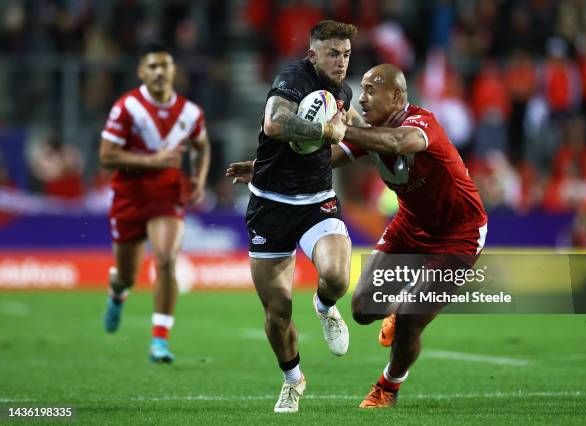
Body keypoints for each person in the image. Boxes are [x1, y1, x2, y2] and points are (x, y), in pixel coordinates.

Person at [228, 64, 487, 409]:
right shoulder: (373, 132)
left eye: (370, 91)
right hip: (409, 226)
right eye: (360, 90)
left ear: (396, 96)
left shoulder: (421, 125)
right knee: (363, 309)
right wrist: (265, 170)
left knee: (410, 320)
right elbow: (328, 159)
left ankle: (387, 388)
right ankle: (392, 312)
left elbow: (395, 142)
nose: (361, 98)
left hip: (459, 235)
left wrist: (339, 128)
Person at [227, 20, 361, 413]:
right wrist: (324, 130)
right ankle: (293, 379)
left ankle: (324, 306)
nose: (341, 62)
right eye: (334, 53)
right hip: (270, 206)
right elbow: (275, 122)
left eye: (347, 54)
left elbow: (329, 149)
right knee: (277, 313)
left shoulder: (344, 93)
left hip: (318, 200)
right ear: (312, 54)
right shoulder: (290, 79)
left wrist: (265, 161)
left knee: (337, 276)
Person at [99, 42, 210, 364]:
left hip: (168, 196)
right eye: (152, 66)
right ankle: (117, 292)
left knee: (165, 260)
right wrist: (156, 159)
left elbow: (202, 146)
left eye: (165, 65)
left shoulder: (190, 113)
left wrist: (200, 179)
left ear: (174, 71)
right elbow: (106, 157)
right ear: (141, 72)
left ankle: (159, 341)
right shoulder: (127, 108)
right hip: (130, 196)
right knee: (127, 275)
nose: (159, 72)